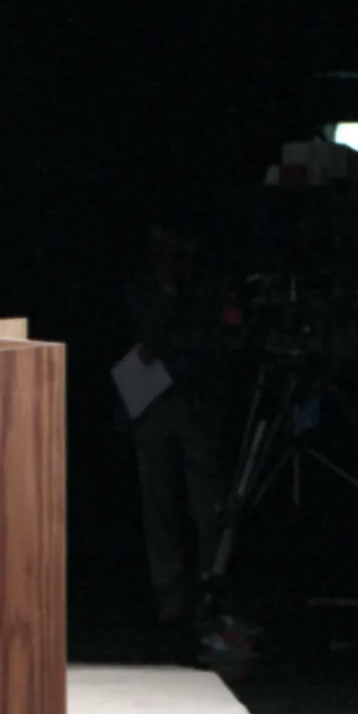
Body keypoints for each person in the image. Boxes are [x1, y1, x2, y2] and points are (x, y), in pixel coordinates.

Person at [124, 219, 227, 623]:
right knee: (158, 502)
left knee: (208, 506)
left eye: (176, 254)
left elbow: (213, 343)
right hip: (153, 406)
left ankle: (211, 584)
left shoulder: (206, 294)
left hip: (197, 406)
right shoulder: (140, 292)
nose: (168, 263)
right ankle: (170, 591)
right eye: (160, 255)